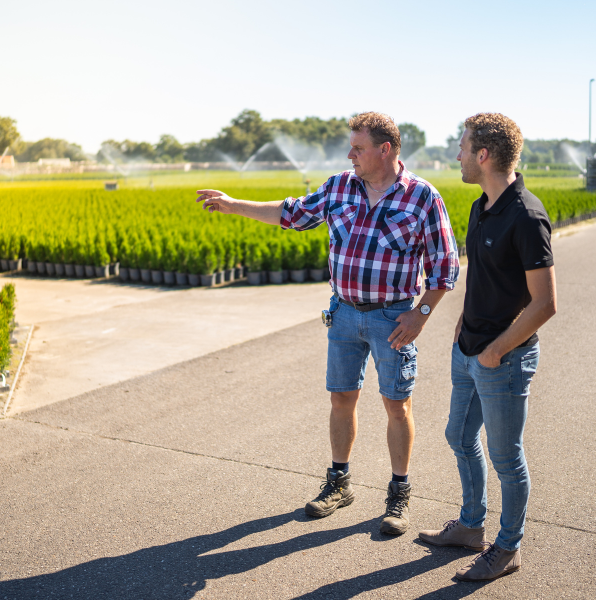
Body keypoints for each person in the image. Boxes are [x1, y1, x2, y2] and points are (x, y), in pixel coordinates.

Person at [195, 112, 459, 535]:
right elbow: (291, 213)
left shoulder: (422, 197)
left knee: (397, 405)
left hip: (393, 318)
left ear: (385, 149)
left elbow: (445, 266)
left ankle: (399, 493)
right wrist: (232, 205)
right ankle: (339, 483)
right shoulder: (339, 187)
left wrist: (421, 314)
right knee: (341, 399)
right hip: (344, 313)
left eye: (358, 148)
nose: (350, 155)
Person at [417, 113, 557, 580]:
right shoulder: (482, 206)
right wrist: (464, 318)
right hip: (468, 349)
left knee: (506, 459)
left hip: (504, 359)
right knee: (459, 436)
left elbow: (545, 304)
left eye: (462, 147)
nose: (456, 154)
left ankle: (507, 547)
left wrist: (496, 350)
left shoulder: (527, 216)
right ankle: (471, 526)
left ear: (483, 155)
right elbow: (484, 274)